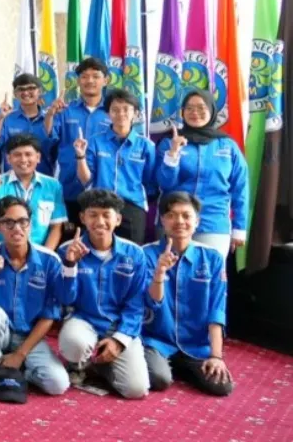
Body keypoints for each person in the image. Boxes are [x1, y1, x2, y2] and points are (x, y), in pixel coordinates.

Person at [0, 196, 70, 396]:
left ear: (30, 224)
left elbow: (49, 315)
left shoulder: (50, 261)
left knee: (57, 384)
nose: (17, 228)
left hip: (30, 337)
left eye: (22, 221)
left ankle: (15, 368)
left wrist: (20, 354)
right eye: (8, 223)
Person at [57, 189, 150, 399]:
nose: (100, 221)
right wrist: (70, 265)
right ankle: (79, 364)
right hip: (83, 320)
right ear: (83, 218)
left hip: (118, 325)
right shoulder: (67, 250)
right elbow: (65, 299)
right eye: (93, 215)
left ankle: (99, 366)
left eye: (106, 215)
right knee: (74, 343)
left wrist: (119, 340)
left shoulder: (135, 254)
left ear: (118, 219)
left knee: (136, 390)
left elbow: (136, 305)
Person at [142, 192, 233, 396]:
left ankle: (182, 366)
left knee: (222, 387)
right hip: (156, 340)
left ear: (197, 221)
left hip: (195, 345)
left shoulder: (212, 258)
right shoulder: (146, 254)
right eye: (172, 215)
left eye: (186, 215)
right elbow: (152, 301)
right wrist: (159, 273)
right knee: (159, 379)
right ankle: (168, 366)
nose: (179, 221)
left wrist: (216, 356)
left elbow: (216, 310)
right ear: (162, 220)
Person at [155, 90, 249, 256]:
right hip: (174, 222)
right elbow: (165, 184)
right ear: (182, 112)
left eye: (201, 108)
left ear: (211, 111)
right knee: (170, 270)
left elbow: (240, 188)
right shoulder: (169, 143)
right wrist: (173, 153)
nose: (195, 112)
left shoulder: (227, 145)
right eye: (189, 108)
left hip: (213, 223)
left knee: (210, 270)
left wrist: (239, 227)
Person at [75, 88, 157, 244]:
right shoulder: (95, 141)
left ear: (136, 113)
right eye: (115, 110)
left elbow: (150, 182)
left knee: (131, 253)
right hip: (100, 206)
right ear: (108, 114)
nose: (121, 114)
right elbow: (86, 180)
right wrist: (80, 156)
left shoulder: (146, 146)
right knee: (97, 250)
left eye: (126, 109)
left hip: (132, 206)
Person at [0, 133, 67, 249]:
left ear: (38, 157)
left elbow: (56, 228)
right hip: (1, 250)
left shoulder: (53, 186)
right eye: (17, 155)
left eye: (28, 154)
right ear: (8, 159)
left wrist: (44, 255)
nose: (23, 160)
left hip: (39, 251)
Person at [48, 58, 112, 223]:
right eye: (84, 76)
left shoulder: (113, 112)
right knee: (69, 237)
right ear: (78, 81)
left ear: (105, 80)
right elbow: (49, 137)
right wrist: (50, 114)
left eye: (95, 76)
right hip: (69, 188)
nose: (90, 80)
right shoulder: (65, 111)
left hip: (103, 190)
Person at [0, 73, 57, 176]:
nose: (26, 92)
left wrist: (50, 116)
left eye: (31, 88)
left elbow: (53, 146)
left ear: (40, 91)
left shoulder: (50, 118)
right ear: (15, 94)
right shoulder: (7, 118)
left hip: (43, 179)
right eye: (21, 89)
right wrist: (0, 118)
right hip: (12, 179)